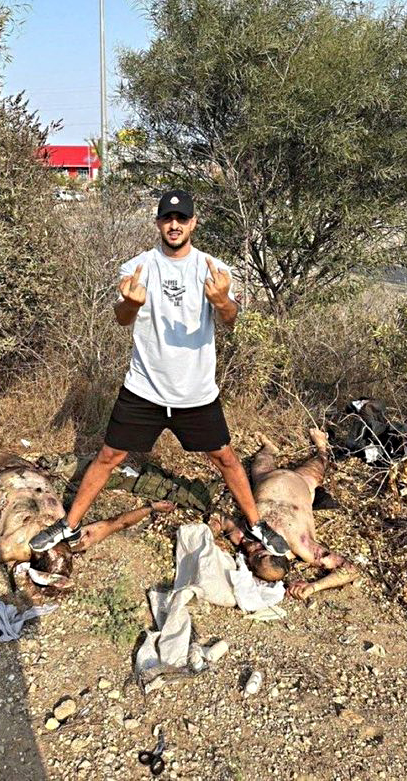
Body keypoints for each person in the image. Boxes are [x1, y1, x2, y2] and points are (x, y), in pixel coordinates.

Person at [30, 189, 286, 556]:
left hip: (195, 393)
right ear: (158, 223)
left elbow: (229, 321)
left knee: (226, 458)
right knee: (108, 456)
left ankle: (256, 525)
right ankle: (68, 526)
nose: (174, 225)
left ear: (193, 223)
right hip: (144, 389)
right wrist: (130, 304)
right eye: (168, 218)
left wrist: (222, 302)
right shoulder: (137, 268)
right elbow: (122, 319)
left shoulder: (214, 269)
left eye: (182, 219)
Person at [0, 437, 174, 593]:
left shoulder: (10, 548)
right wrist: (150, 508)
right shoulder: (75, 539)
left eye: (54, 549)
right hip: (26, 473)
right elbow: (118, 523)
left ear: (38, 557)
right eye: (63, 550)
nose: (60, 545)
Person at [208, 429, 359, 600]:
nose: (255, 547)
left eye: (253, 555)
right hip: (302, 482)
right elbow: (351, 570)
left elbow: (220, 519)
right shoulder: (302, 545)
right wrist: (313, 587)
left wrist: (211, 537)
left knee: (262, 458)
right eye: (261, 552)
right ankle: (322, 446)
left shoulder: (244, 536)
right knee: (321, 461)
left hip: (264, 478)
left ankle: (270, 448)